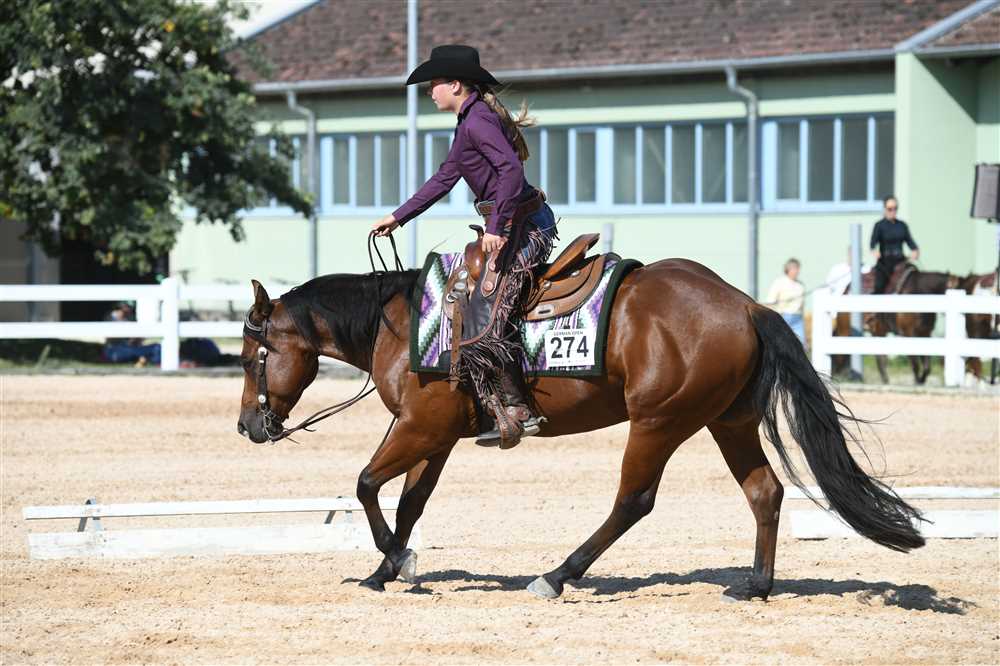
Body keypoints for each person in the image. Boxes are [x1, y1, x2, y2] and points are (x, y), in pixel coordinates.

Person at [371, 45, 557, 449]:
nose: (430, 91)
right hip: (513, 223)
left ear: (455, 84)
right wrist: (398, 217)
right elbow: (444, 178)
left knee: (486, 316)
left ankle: (518, 410)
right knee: (478, 309)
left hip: (526, 227)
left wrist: (496, 226)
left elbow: (511, 171)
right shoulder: (468, 122)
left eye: (434, 84)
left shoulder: (478, 121)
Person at [870, 195, 919, 294]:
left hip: (900, 261)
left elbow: (910, 242)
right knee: (879, 286)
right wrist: (874, 251)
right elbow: (872, 243)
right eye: (890, 209)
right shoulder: (879, 225)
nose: (893, 211)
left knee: (915, 279)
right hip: (884, 263)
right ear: (884, 209)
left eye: (895, 208)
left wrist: (915, 250)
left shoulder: (902, 225)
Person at [766, 258, 806, 345]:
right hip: (784, 317)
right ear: (788, 269)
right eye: (795, 268)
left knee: (801, 344)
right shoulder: (779, 282)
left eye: (798, 268)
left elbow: (802, 305)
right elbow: (771, 301)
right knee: (782, 343)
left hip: (798, 318)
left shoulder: (800, 285)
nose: (797, 271)